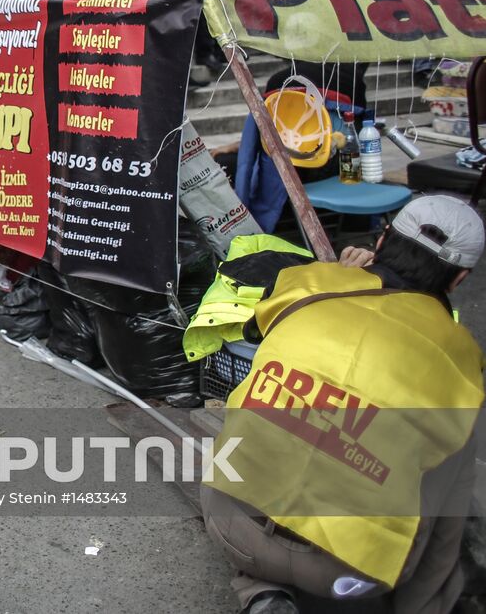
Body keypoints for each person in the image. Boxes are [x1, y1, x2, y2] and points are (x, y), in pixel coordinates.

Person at [202, 195, 485, 614]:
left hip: (231, 524)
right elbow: (444, 517)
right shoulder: (461, 361)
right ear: (460, 278)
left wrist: (343, 274)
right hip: (347, 576)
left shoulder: (310, 284)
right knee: (450, 476)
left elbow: (256, 328)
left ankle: (261, 591)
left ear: (384, 237)